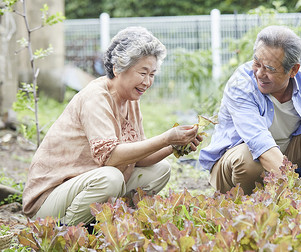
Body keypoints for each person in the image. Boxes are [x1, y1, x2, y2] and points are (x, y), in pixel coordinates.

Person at [22, 26, 201, 226]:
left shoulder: (131, 100)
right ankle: (63, 233)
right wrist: (166, 137)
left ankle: (108, 223)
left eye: (152, 74)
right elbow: (110, 156)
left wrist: (173, 145)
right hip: (49, 200)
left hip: (86, 185)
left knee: (160, 170)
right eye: (143, 73)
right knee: (111, 178)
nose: (148, 81)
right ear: (118, 68)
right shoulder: (95, 97)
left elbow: (138, 159)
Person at [199, 25, 301, 200]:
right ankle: (251, 208)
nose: (259, 73)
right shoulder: (241, 85)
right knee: (248, 159)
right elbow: (260, 145)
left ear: (293, 70)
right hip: (236, 164)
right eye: (256, 63)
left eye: (270, 69)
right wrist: (296, 190)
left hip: (285, 157)